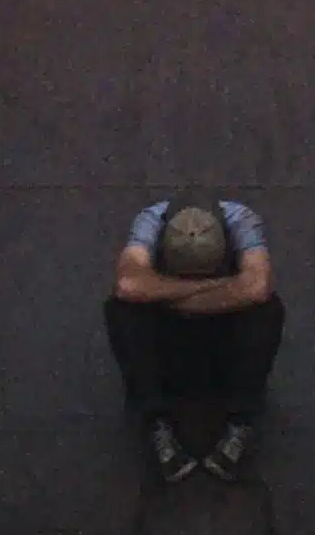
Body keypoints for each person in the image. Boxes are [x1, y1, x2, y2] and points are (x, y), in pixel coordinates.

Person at [103, 194, 284, 483]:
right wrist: (219, 287)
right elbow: (128, 284)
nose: (193, 281)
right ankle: (155, 422)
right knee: (121, 309)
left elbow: (258, 286)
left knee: (267, 310)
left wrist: (165, 294)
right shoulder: (151, 219)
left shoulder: (240, 219)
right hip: (169, 350)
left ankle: (241, 422)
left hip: (222, 349)